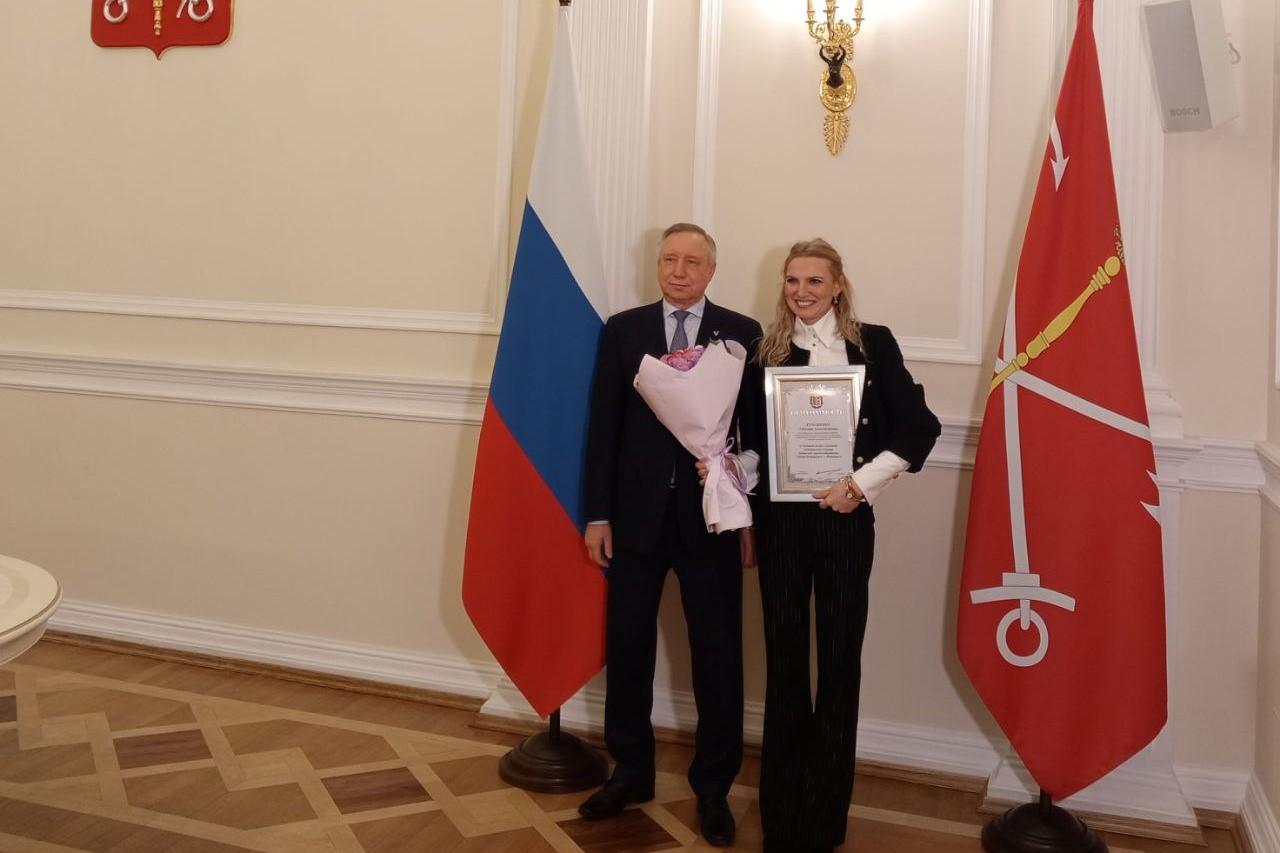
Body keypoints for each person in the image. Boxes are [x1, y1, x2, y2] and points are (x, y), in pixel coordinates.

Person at [578, 222, 762, 848]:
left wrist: (745, 511)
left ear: (712, 270)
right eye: (669, 260)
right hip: (634, 520)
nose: (679, 271)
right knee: (628, 647)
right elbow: (604, 425)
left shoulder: (741, 333)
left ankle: (713, 788)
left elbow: (754, 433)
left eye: (692, 262)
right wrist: (597, 514)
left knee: (718, 655)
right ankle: (630, 772)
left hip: (711, 520)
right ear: (657, 266)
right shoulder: (623, 330)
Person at [754, 239, 940, 853]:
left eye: (814, 280)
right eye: (792, 280)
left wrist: (859, 485)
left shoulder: (873, 344)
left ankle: (823, 821)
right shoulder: (767, 350)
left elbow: (920, 428)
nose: (801, 291)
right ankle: (781, 820)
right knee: (784, 666)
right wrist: (730, 471)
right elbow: (753, 443)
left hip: (844, 523)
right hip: (780, 527)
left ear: (837, 286)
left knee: (838, 666)